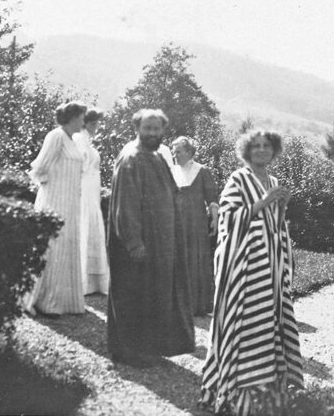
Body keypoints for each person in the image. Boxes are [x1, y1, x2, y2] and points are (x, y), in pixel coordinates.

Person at [200, 130, 304, 416]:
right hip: (243, 270)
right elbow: (229, 219)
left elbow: (274, 226)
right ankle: (237, 395)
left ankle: (265, 395)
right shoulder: (238, 179)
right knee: (245, 323)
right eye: (255, 146)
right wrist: (265, 201)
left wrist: (280, 205)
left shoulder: (272, 181)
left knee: (267, 324)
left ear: (274, 151)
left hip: (269, 267)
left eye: (266, 146)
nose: (261, 151)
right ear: (247, 151)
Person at [106, 109, 194, 367]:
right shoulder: (131, 158)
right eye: (147, 128)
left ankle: (147, 348)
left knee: (151, 296)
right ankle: (127, 351)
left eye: (156, 129)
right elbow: (126, 204)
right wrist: (134, 242)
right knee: (132, 295)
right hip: (138, 243)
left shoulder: (156, 156)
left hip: (159, 242)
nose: (152, 133)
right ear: (137, 128)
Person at [24, 101, 87, 317]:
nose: (83, 121)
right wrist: (51, 191)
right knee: (53, 247)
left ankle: (64, 301)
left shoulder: (73, 140)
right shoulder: (56, 136)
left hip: (70, 202)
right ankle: (45, 301)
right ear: (71, 117)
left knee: (66, 246)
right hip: (55, 201)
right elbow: (39, 168)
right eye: (80, 117)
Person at [171, 136, 218, 316]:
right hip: (175, 221)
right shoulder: (172, 171)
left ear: (189, 152)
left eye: (178, 152)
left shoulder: (201, 171)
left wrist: (215, 219)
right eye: (174, 152)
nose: (175, 155)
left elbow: (212, 198)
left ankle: (197, 305)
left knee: (194, 259)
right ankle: (177, 304)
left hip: (195, 223)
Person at [73, 107, 109, 295]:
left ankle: (93, 282)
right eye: (93, 123)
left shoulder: (88, 142)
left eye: (97, 123)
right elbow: (78, 167)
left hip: (92, 192)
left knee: (92, 228)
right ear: (85, 123)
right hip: (84, 192)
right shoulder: (79, 139)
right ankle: (81, 280)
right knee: (83, 228)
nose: (96, 127)